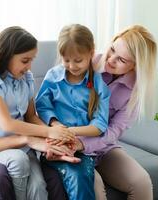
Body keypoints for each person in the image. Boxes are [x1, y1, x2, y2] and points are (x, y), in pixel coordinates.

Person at [0, 26, 78, 200]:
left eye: (32, 60)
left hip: (24, 147)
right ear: (7, 55)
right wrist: (49, 131)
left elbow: (31, 116)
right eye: (24, 60)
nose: (29, 66)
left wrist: (53, 138)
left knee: (39, 186)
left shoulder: (26, 79)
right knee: (18, 160)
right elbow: (7, 124)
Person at [77, 25, 157, 200]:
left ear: (135, 66)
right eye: (112, 49)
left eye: (121, 59)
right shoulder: (85, 64)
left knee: (141, 182)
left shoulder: (135, 90)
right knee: (94, 186)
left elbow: (114, 131)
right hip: (72, 144)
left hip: (103, 147)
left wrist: (86, 145)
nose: (111, 59)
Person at [35, 24, 111, 200]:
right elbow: (42, 106)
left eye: (78, 60)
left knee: (79, 176)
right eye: (66, 60)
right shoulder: (53, 77)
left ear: (91, 53)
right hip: (55, 143)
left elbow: (100, 125)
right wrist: (55, 124)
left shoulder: (99, 85)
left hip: (83, 147)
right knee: (71, 175)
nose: (72, 65)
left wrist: (69, 133)